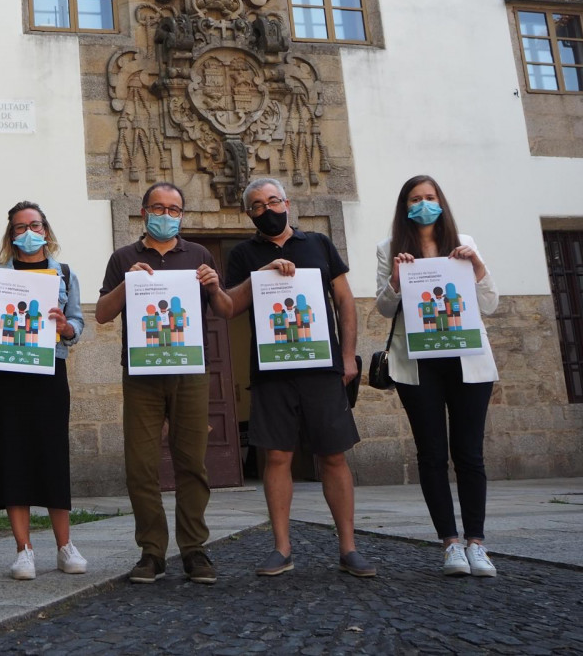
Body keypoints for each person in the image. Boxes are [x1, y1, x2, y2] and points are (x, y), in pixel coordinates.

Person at [210, 177, 374, 578]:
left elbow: (345, 301)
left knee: (333, 456)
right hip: (272, 372)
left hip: (323, 368)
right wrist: (261, 274)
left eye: (272, 201)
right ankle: (282, 549)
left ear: (287, 202)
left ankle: (349, 548)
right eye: (257, 206)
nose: (267, 210)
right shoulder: (244, 253)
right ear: (248, 213)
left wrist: (349, 356)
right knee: (278, 456)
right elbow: (228, 307)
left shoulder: (318, 244)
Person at [95, 182, 221, 585]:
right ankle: (152, 551)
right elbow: (101, 314)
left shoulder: (199, 254)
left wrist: (214, 284)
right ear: (144, 211)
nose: (166, 215)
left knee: (191, 463)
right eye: (158, 208)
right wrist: (126, 284)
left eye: (174, 209)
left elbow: (226, 308)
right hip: (142, 374)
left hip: (189, 372)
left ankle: (194, 549)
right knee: (142, 467)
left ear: (181, 215)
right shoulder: (123, 257)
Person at [375, 174, 499, 577]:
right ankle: (449, 544)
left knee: (470, 453)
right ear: (404, 206)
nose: (423, 204)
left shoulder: (464, 243)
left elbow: (491, 304)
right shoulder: (388, 249)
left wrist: (477, 266)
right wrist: (396, 279)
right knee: (431, 454)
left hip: (468, 360)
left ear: (440, 202)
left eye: (429, 197)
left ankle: (477, 543)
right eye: (415, 198)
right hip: (418, 364)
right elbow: (383, 308)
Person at [0, 201, 87, 581]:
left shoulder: (64, 273)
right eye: (20, 227)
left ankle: (64, 546)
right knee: (12, 455)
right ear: (10, 234)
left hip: (49, 372)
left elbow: (76, 324)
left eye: (34, 225)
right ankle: (23, 550)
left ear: (46, 230)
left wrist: (65, 327)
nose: (28, 232)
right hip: (8, 374)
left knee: (52, 454)